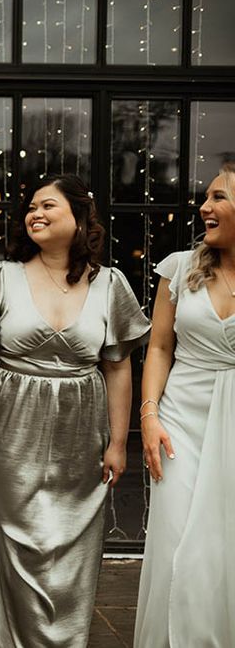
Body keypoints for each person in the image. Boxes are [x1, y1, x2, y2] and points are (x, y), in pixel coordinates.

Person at [0, 173, 150, 647]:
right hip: (13, 426)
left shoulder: (110, 283)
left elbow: (118, 367)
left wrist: (117, 442)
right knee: (15, 542)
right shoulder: (0, 277)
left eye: (48, 205)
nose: (36, 213)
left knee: (72, 544)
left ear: (79, 218)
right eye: (31, 206)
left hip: (81, 430)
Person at [134, 169, 235, 647]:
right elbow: (158, 349)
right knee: (175, 544)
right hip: (179, 421)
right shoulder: (179, 267)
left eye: (219, 197)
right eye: (206, 197)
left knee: (223, 549)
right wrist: (149, 416)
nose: (204, 207)